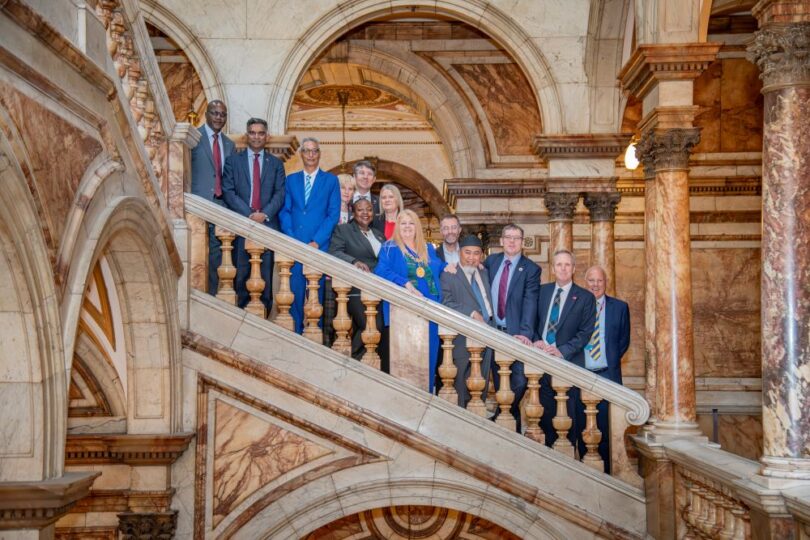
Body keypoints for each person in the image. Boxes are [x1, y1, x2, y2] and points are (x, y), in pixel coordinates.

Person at [374, 209, 445, 392]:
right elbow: (381, 271)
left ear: (417, 227)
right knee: (408, 363)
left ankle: (427, 396)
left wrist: (451, 266)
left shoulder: (428, 249)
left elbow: (438, 267)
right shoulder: (390, 248)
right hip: (405, 313)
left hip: (431, 312)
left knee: (429, 360)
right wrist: (404, 283)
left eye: (411, 223)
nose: (407, 227)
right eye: (403, 223)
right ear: (397, 226)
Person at [533, 249, 596, 452]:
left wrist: (562, 350)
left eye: (567, 265)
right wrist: (536, 341)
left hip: (567, 364)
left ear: (574, 269)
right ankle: (550, 457)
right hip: (541, 364)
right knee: (545, 415)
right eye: (559, 264)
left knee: (568, 417)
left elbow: (585, 333)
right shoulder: (541, 292)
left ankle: (568, 457)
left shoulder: (585, 297)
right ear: (553, 268)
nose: (563, 268)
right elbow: (531, 322)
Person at [221, 118, 286, 314]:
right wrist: (249, 214)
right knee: (240, 276)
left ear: (266, 136)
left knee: (264, 278)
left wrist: (264, 214)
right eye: (252, 132)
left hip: (266, 226)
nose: (256, 136)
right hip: (241, 226)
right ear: (247, 135)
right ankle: (240, 318)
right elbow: (228, 191)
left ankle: (262, 318)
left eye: (260, 133)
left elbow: (280, 193)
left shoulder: (275, 164)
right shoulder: (233, 162)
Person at [280, 137, 341, 333]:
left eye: (315, 151)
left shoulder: (331, 181)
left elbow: (333, 214)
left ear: (319, 154)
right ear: (301, 155)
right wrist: (292, 238)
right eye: (307, 151)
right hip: (295, 245)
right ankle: (297, 332)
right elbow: (285, 211)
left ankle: (316, 334)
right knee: (295, 291)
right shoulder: (291, 180)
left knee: (317, 293)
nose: (311, 155)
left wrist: (317, 241)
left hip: (318, 246)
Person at [483, 224, 541, 431]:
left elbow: (530, 301)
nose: (512, 241)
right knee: (499, 382)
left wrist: (525, 333)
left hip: (516, 334)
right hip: (493, 332)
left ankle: (501, 414)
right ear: (501, 241)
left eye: (516, 238)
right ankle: (510, 430)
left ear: (522, 242)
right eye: (508, 237)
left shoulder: (531, 269)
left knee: (518, 380)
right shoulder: (491, 262)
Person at [580, 265, 630, 472]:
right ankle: (586, 471)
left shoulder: (620, 307)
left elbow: (623, 341)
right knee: (583, 427)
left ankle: (608, 472)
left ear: (605, 282)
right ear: (585, 283)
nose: (595, 284)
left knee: (608, 427)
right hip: (581, 375)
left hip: (608, 376)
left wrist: (604, 360)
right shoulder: (578, 307)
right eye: (591, 280)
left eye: (599, 280)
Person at [328, 198, 388, 368]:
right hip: (356, 289)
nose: (365, 213)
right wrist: (354, 261)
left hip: (379, 290)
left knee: (378, 329)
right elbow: (334, 252)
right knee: (371, 325)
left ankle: (358, 364)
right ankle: (351, 360)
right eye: (360, 210)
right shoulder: (343, 230)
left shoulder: (378, 234)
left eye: (369, 209)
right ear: (353, 212)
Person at [440, 235, 496, 408]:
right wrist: (471, 313)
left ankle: (477, 415)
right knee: (462, 383)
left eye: (476, 253)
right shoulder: (449, 274)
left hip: (488, 333)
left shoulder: (484, 272)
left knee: (482, 381)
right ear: (459, 253)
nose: (471, 258)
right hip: (463, 337)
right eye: (467, 253)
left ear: (482, 255)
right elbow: (446, 303)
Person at [190, 100, 236, 295]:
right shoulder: (194, 138)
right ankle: (197, 292)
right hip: (199, 204)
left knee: (218, 254)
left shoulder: (229, 144)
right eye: (215, 113)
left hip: (221, 204)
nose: (219, 117)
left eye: (223, 114)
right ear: (206, 114)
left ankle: (211, 295)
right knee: (198, 253)